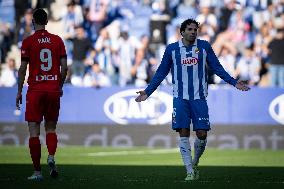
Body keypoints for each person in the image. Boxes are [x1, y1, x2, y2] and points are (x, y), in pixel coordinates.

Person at [135, 19, 250, 181]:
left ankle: (195, 162)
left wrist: (233, 82)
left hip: (199, 98)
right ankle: (189, 170)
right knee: (183, 131)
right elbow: (161, 72)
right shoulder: (172, 50)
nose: (193, 32)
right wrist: (148, 92)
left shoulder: (204, 47)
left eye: (195, 29)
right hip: (180, 98)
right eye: (189, 29)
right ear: (182, 32)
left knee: (202, 134)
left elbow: (217, 67)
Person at [16, 8, 68, 181]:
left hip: (36, 91)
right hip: (53, 89)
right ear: (47, 21)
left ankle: (37, 172)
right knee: (51, 128)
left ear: (33, 22)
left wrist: (18, 91)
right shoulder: (57, 41)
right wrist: (59, 85)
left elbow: (23, 69)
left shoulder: (28, 42)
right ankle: (51, 156)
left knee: (33, 132)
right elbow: (64, 68)